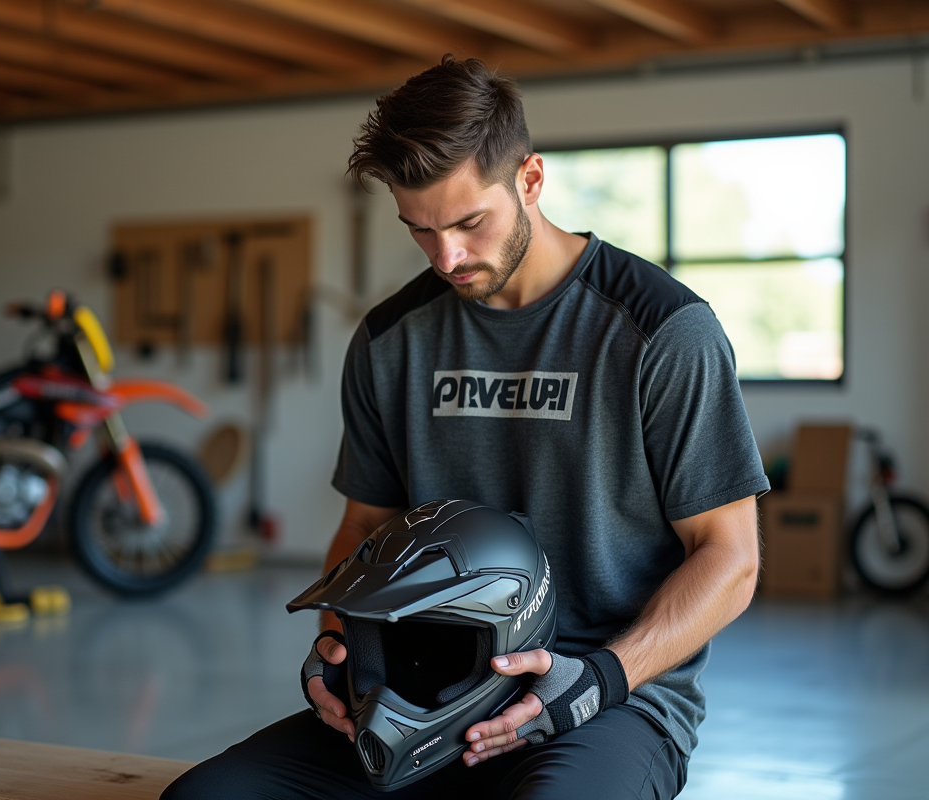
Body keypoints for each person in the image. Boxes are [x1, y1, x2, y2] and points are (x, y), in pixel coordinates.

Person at [162, 54, 768, 800]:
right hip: (416, 692)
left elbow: (729, 559)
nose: (447, 257)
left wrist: (601, 679)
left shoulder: (663, 331)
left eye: (469, 223)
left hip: (603, 696)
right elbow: (364, 528)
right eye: (419, 231)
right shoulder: (392, 339)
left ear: (532, 180)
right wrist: (336, 643)